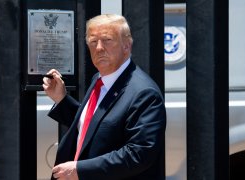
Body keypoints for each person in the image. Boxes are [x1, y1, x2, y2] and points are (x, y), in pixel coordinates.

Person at [43, 14, 166, 180]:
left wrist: (80, 170)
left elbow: (139, 154)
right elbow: (95, 126)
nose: (99, 48)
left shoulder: (144, 93)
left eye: (107, 40)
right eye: (93, 42)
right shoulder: (100, 79)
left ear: (127, 46)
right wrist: (62, 99)